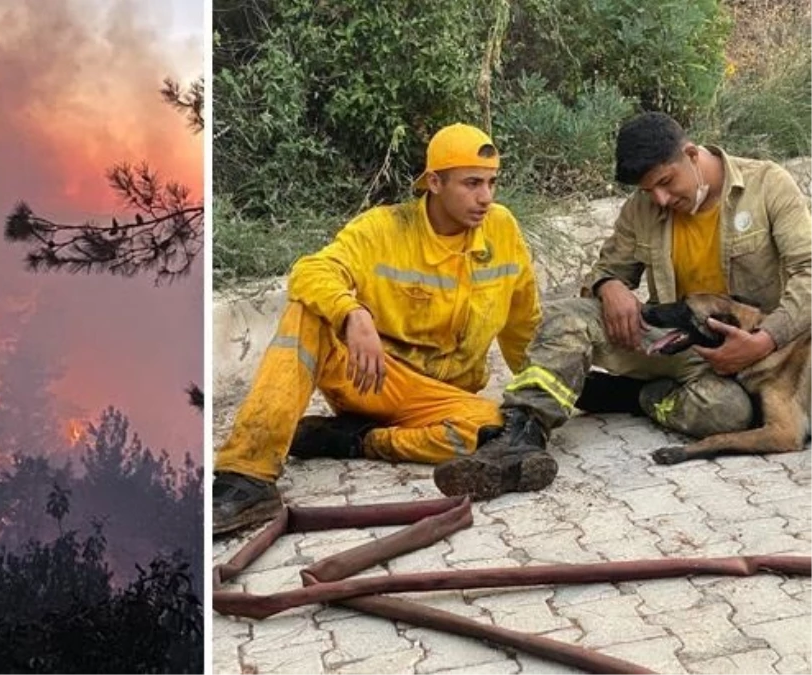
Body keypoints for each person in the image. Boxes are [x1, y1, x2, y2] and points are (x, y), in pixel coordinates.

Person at [433, 111, 812, 501]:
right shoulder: (642, 207)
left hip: (767, 357)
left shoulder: (768, 185)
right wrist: (608, 284)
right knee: (566, 317)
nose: (661, 199)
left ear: (692, 154)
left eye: (666, 182)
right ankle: (519, 436)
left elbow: (809, 273)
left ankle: (630, 397)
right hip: (677, 340)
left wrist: (765, 339)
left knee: (729, 414)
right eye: (650, 191)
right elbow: (605, 270)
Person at [211, 123, 543, 536]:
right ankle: (245, 476)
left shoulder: (502, 229)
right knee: (306, 312)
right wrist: (352, 314)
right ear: (435, 183)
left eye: (492, 183)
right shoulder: (383, 229)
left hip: (441, 398)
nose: (486, 197)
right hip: (371, 377)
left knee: (496, 427)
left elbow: (522, 324)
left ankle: (359, 441)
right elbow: (310, 271)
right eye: (472, 183)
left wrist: (543, 392)